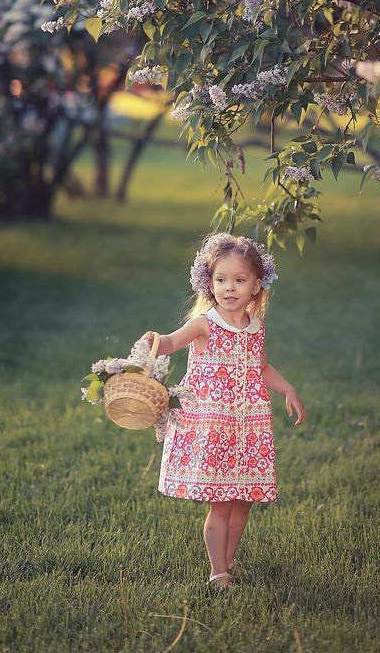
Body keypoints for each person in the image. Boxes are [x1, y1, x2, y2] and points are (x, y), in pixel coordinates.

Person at [141, 231, 306, 590]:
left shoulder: (256, 328)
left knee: (243, 500)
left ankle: (229, 560)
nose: (229, 287)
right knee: (221, 503)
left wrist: (288, 389)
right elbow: (171, 342)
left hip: (248, 429)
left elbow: (263, 368)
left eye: (239, 280)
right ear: (209, 283)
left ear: (257, 285)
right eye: (221, 280)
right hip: (214, 427)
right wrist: (155, 341)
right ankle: (218, 571)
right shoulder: (205, 323)